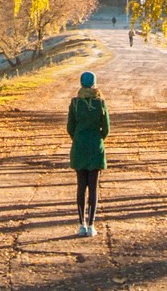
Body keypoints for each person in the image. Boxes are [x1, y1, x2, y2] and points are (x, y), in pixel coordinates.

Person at [67, 70, 109, 236]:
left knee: (80, 186)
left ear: (81, 83)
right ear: (94, 84)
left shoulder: (75, 103)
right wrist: (98, 139)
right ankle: (91, 225)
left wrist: (77, 138)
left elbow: (70, 127)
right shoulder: (100, 103)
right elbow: (106, 128)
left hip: (79, 148)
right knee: (93, 187)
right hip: (95, 149)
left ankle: (81, 224)